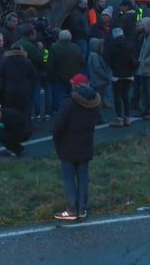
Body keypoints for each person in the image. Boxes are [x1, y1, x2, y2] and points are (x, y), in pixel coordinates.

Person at [52, 73, 100, 221]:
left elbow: (58, 126)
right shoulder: (95, 102)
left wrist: (57, 142)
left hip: (68, 145)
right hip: (85, 145)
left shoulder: (69, 102)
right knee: (83, 177)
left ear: (76, 85)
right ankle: (82, 209)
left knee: (69, 179)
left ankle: (72, 209)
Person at [48, 30, 84, 113]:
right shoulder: (76, 47)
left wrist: (50, 74)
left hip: (58, 77)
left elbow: (49, 64)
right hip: (73, 76)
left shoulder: (54, 48)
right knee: (71, 95)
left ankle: (59, 111)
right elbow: (82, 61)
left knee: (58, 96)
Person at [108, 28, 137, 127]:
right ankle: (127, 118)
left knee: (117, 96)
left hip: (117, 74)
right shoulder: (130, 44)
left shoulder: (113, 44)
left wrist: (113, 68)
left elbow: (110, 59)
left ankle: (119, 118)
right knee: (126, 96)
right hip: (129, 74)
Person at [0, 43, 36, 122]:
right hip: (23, 89)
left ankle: (10, 126)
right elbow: (33, 75)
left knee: (10, 109)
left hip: (9, 89)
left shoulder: (6, 61)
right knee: (24, 110)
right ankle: (25, 126)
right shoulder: (27, 61)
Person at [87, 38, 112, 123]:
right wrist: (106, 77)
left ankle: (96, 117)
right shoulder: (95, 56)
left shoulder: (91, 55)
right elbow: (98, 69)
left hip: (96, 81)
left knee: (96, 100)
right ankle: (98, 118)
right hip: (100, 82)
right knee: (99, 102)